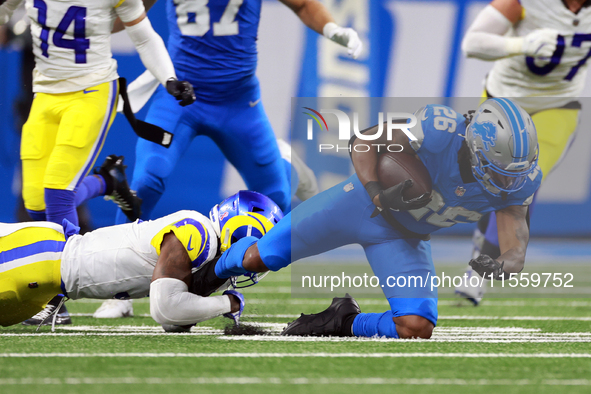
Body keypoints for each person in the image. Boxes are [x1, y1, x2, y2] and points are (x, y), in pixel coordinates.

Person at [190, 98, 542, 339]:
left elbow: (515, 245)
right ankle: (210, 272)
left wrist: (502, 265)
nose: (508, 182)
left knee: (415, 327)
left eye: (514, 174)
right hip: (357, 205)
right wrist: (376, 191)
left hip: (405, 237)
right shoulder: (439, 129)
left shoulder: (518, 181)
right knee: (258, 257)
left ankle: (343, 320)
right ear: (477, 147)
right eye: (500, 173)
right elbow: (363, 141)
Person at [457, 0, 589, 304]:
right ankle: (483, 241)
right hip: (503, 100)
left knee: (524, 179)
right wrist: (522, 44)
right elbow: (471, 43)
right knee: (488, 180)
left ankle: (479, 268)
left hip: (558, 105)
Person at [0, 190, 283, 329]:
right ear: (242, 229)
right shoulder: (198, 231)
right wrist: (228, 303)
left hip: (47, 281)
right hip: (39, 258)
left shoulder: (204, 249)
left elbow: (176, 321)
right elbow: (167, 310)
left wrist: (219, 275)